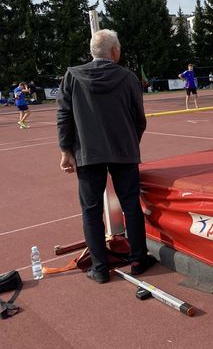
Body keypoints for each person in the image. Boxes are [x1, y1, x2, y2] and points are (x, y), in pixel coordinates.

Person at [56, 29, 155, 284]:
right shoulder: (128, 77)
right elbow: (138, 118)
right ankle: (137, 259)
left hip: (88, 153)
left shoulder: (72, 77)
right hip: (123, 151)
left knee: (91, 210)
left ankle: (100, 268)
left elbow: (64, 116)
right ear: (114, 52)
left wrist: (66, 151)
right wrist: (132, 142)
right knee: (130, 203)